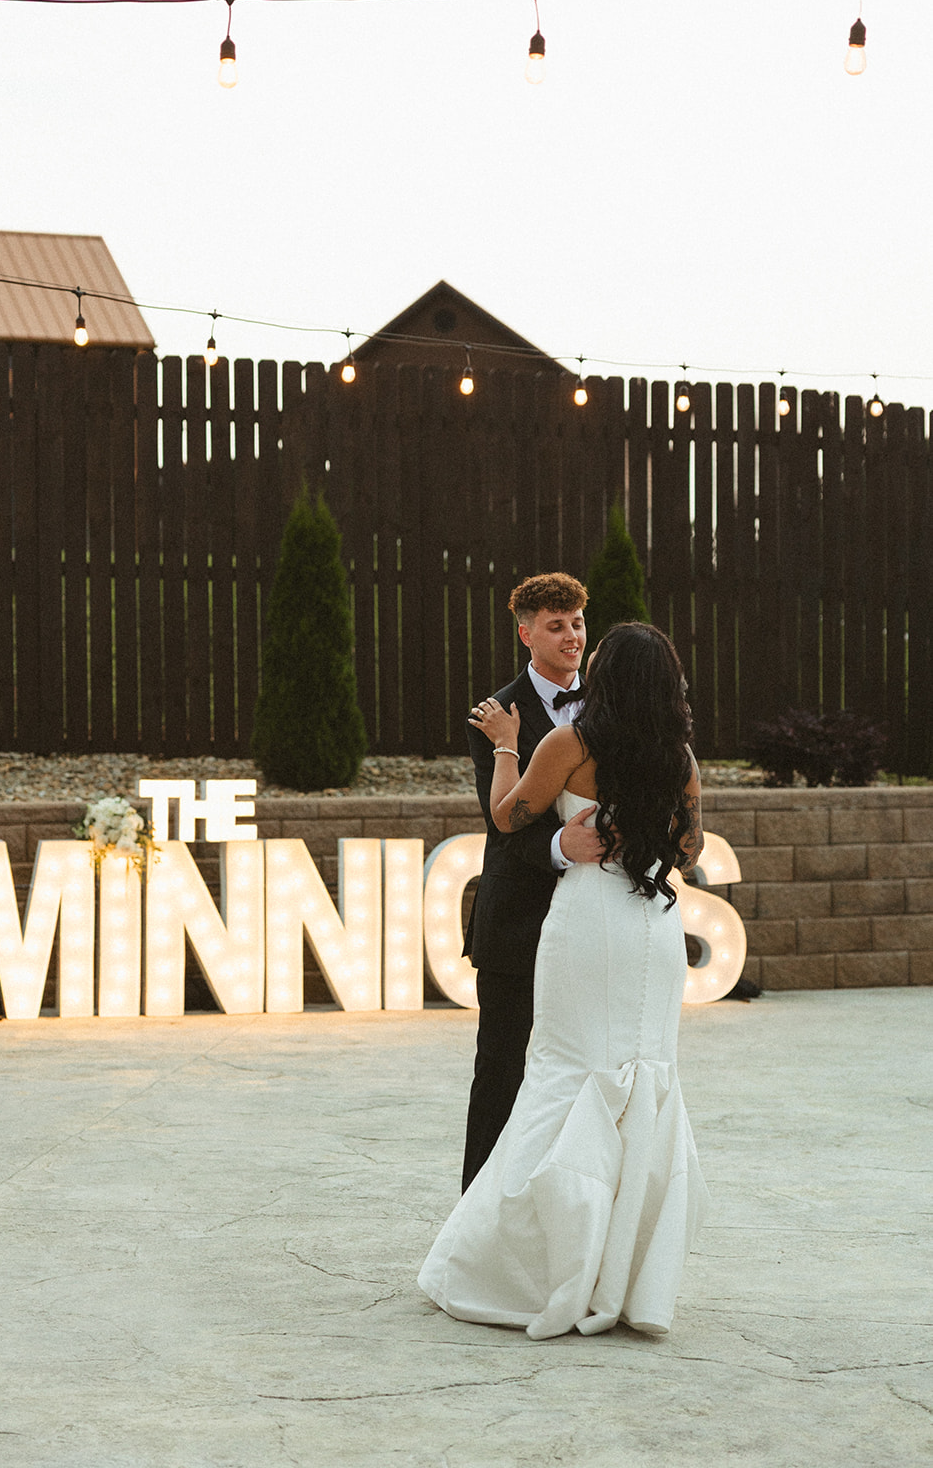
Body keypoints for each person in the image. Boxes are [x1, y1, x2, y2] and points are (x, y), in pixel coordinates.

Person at [419, 622, 708, 1338]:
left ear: (605, 677)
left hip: (587, 925)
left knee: (564, 1073)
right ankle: (625, 1274)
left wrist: (506, 748)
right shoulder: (679, 759)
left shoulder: (568, 745)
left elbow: (508, 814)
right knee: (640, 1077)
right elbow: (690, 844)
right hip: (652, 929)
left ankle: (530, 1265)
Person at [462, 572, 602, 1192]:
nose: (571, 636)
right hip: (516, 923)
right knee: (501, 1072)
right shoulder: (495, 714)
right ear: (526, 634)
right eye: (555, 625)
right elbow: (502, 830)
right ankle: (474, 1229)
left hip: (593, 921)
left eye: (576, 623)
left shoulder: (609, 704)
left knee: (581, 1074)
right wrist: (557, 846)